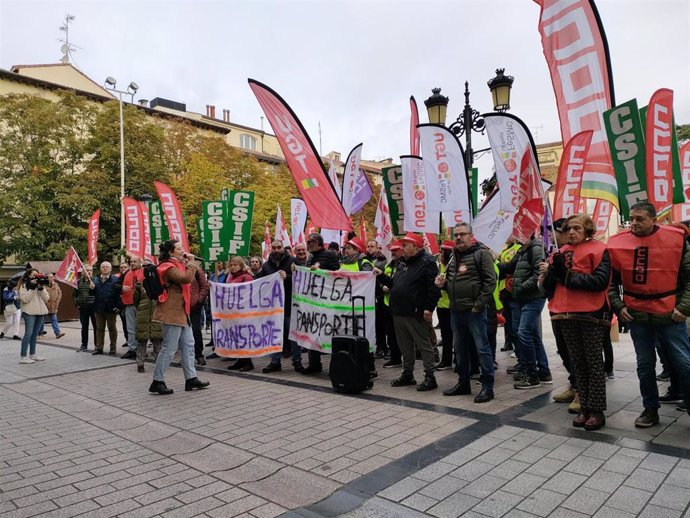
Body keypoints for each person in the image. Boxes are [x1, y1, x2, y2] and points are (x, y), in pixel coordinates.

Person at [608, 201, 690, 427]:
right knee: (645, 365)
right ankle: (650, 409)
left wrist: (683, 308)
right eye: (632, 219)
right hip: (637, 316)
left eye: (640, 219)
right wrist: (618, 306)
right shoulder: (617, 244)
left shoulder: (677, 239)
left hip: (671, 316)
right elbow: (610, 282)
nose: (634, 223)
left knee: (684, 363)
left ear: (653, 219)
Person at [542, 214, 611, 431]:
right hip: (565, 313)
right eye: (568, 228)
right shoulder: (560, 253)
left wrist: (566, 276)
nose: (571, 232)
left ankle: (597, 410)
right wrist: (551, 276)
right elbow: (548, 289)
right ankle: (584, 407)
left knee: (593, 363)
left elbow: (600, 282)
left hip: (590, 314)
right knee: (577, 362)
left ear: (587, 230)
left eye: (577, 228)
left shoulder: (600, 250)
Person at [436, 223, 497, 403]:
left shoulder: (482, 254)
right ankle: (463, 383)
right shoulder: (454, 257)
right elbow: (454, 283)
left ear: (471, 236)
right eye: (456, 235)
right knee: (460, 350)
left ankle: (487, 387)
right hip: (456, 310)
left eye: (463, 234)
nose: (459, 238)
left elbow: (490, 282)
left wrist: (478, 305)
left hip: (474, 312)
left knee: (482, 349)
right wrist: (444, 285)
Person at [376, 232, 440, 391]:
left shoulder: (427, 262)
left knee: (423, 345)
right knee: (405, 345)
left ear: (415, 246)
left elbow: (433, 288)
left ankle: (430, 376)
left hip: (415, 311)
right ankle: (408, 374)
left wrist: (428, 308)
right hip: (399, 311)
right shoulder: (403, 263)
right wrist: (382, 276)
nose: (401, 248)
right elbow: (395, 284)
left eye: (405, 245)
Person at [149, 240, 209, 395]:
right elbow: (186, 278)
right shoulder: (166, 267)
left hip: (183, 312)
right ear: (170, 252)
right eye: (179, 248)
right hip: (171, 311)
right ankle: (157, 381)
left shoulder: (178, 264)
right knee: (169, 348)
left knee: (189, 345)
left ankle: (191, 378)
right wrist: (192, 263)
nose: (183, 250)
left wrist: (188, 263)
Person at [499, 233, 551, 389]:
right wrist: (493, 259)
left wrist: (521, 286)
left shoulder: (536, 248)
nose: (516, 235)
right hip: (524, 298)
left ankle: (531, 375)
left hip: (533, 297)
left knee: (524, 333)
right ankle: (544, 372)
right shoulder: (523, 250)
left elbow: (538, 274)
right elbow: (509, 267)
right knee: (533, 335)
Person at [544, 219, 581, 414]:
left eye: (553, 231)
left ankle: (582, 392)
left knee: (578, 353)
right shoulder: (556, 253)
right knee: (564, 350)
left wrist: (561, 271)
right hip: (557, 307)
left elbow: (579, 280)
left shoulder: (584, 252)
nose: (550, 235)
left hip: (577, 310)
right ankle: (574, 384)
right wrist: (548, 274)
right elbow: (548, 285)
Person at [257, 240, 301, 373]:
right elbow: (259, 283)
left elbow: (301, 279)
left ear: (283, 248)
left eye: (279, 247)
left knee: (293, 335)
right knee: (274, 334)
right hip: (273, 308)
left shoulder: (293, 261)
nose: (276, 250)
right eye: (274, 248)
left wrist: (287, 277)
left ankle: (297, 361)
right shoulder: (266, 265)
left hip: (289, 305)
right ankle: (275, 362)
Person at [302, 233, 341, 374]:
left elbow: (337, 273)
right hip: (313, 301)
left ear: (318, 242)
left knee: (329, 332)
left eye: (310, 241)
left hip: (327, 301)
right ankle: (314, 364)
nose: (308, 244)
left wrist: (321, 271)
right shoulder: (310, 257)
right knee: (312, 331)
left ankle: (335, 365)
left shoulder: (330, 255)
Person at [224, 256, 256, 372]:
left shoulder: (246, 277)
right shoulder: (230, 277)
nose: (232, 267)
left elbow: (249, 294)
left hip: (243, 312)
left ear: (241, 265)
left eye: (235, 265)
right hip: (233, 313)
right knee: (236, 337)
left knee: (244, 337)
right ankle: (240, 360)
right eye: (231, 265)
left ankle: (248, 362)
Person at [133, 261, 162, 373]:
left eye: (148, 266)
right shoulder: (139, 284)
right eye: (144, 266)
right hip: (143, 315)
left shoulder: (158, 282)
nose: (146, 268)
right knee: (142, 341)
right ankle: (140, 364)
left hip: (156, 314)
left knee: (157, 340)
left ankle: (159, 364)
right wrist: (141, 308)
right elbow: (135, 300)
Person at [18, 269, 49, 363]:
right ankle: (23, 357)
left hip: (40, 312)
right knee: (28, 333)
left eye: (38, 275)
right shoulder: (23, 285)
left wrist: (40, 288)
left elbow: (47, 298)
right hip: (29, 312)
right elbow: (25, 299)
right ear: (29, 276)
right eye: (34, 275)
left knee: (34, 334)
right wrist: (31, 288)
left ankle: (32, 355)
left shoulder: (40, 284)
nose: (36, 276)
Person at [90, 261, 121, 355]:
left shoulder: (115, 280)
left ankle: (113, 347)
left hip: (111, 309)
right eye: (103, 267)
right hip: (98, 308)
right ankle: (99, 347)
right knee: (99, 329)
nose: (105, 268)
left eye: (107, 267)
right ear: (100, 269)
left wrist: (118, 306)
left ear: (110, 269)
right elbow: (92, 294)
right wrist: (92, 289)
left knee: (112, 328)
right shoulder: (95, 280)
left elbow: (119, 294)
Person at [381, 241, 403, 368]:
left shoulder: (404, 265)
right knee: (390, 333)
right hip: (387, 303)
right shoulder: (389, 265)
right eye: (392, 250)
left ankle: (401, 356)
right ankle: (395, 357)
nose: (393, 252)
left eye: (396, 250)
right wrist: (382, 286)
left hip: (398, 305)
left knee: (399, 333)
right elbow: (384, 279)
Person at [435, 241, 455, 371]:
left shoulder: (452, 265)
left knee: (454, 335)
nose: (440, 253)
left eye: (442, 251)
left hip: (452, 305)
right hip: (441, 305)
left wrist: (444, 284)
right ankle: (446, 360)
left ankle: (457, 359)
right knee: (445, 335)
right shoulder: (439, 266)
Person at [120, 257, 144, 360]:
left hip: (141, 304)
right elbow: (117, 284)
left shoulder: (144, 272)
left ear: (140, 262)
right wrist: (122, 288)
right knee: (130, 328)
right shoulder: (127, 273)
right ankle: (132, 349)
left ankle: (141, 350)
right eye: (131, 262)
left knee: (141, 328)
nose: (132, 263)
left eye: (135, 261)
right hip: (129, 304)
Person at [190, 261, 210, 366]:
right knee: (184, 333)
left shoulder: (197, 270)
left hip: (194, 306)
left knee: (195, 330)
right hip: (181, 306)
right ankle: (187, 356)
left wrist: (199, 299)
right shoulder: (177, 269)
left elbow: (204, 286)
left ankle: (199, 355)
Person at [73, 265, 96, 352]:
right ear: (82, 272)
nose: (89, 272)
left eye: (90, 270)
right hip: (83, 307)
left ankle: (97, 346)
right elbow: (74, 295)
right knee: (84, 327)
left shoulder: (95, 281)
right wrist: (77, 304)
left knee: (96, 327)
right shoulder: (78, 282)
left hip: (93, 307)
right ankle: (84, 345)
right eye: (87, 270)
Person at [41, 273, 65, 339]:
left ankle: (57, 333)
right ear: (47, 278)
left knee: (54, 320)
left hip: (53, 306)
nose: (52, 278)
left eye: (52, 277)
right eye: (50, 277)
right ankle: (40, 333)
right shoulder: (43, 285)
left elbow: (60, 293)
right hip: (45, 306)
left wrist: (57, 301)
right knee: (41, 320)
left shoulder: (56, 284)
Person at [116, 262, 130, 347]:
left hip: (130, 304)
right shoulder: (117, 278)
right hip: (121, 305)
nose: (123, 269)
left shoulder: (131, 275)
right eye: (121, 267)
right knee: (125, 324)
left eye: (125, 267)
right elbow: (115, 288)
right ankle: (127, 339)